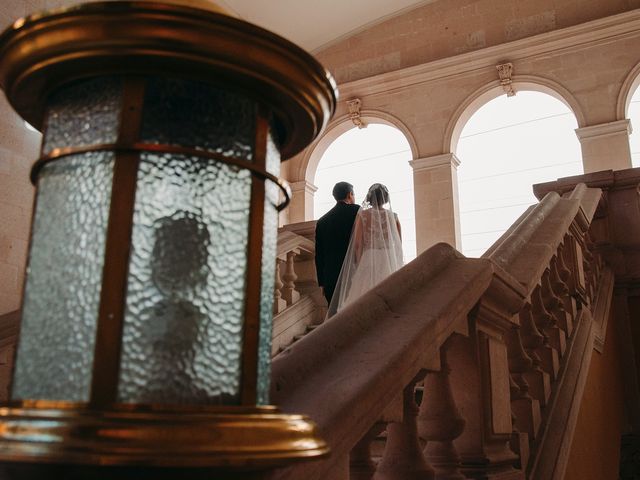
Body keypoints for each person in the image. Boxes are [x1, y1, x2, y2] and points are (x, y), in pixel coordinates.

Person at [327, 183, 403, 317]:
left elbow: (357, 244)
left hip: (369, 259)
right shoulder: (394, 217)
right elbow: (398, 245)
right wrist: (396, 263)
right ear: (386, 198)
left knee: (362, 296)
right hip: (388, 260)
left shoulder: (363, 216)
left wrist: (359, 262)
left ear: (369, 197)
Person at [315, 181, 360, 305]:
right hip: (353, 273)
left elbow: (319, 255)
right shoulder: (358, 212)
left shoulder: (322, 221)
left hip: (330, 278)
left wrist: (322, 282)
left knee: (335, 318)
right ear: (350, 194)